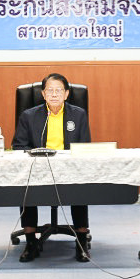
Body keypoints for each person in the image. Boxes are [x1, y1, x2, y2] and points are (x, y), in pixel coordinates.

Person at [13, 72, 91, 262]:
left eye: (59, 90)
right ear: (43, 94)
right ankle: (31, 241)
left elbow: (85, 147)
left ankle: (81, 240)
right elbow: (18, 146)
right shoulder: (29, 116)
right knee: (27, 185)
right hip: (38, 168)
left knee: (80, 184)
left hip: (69, 168)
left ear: (66, 94)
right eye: (50, 90)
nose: (54, 94)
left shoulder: (78, 115)